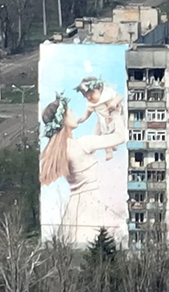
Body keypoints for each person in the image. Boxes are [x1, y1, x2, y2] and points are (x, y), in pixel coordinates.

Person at [39, 93, 129, 245]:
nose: (75, 114)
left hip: (74, 210)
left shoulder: (62, 150)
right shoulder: (82, 144)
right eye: (71, 112)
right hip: (93, 205)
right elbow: (120, 137)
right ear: (64, 120)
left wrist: (100, 116)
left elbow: (94, 139)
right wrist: (114, 112)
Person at [76, 77, 125, 162]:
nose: (89, 98)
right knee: (105, 134)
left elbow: (119, 96)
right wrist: (80, 120)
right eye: (86, 96)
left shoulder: (107, 94)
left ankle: (114, 145)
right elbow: (86, 114)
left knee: (116, 130)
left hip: (115, 114)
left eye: (91, 94)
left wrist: (114, 102)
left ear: (99, 89)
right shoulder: (91, 104)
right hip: (103, 120)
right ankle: (109, 152)